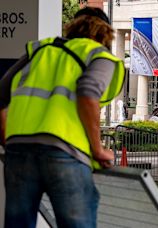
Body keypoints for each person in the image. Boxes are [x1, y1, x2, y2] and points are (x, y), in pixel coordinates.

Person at [0, 7, 125, 228]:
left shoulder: (40, 51)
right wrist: (98, 150)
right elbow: (87, 94)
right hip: (65, 153)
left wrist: (7, 139)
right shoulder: (98, 55)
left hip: (19, 150)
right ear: (105, 33)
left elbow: (1, 93)